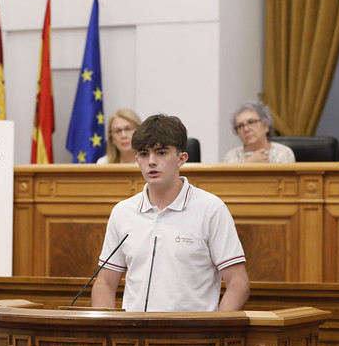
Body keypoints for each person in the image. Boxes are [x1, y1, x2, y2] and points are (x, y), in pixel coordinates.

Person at [91, 114, 250, 312]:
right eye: (144, 154)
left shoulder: (211, 209)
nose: (151, 162)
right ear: (136, 159)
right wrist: (106, 325)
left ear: (181, 159)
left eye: (161, 153)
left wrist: (215, 325)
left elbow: (238, 283)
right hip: (134, 329)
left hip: (192, 330)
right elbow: (105, 283)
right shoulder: (122, 212)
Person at [223, 101, 295, 163]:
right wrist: (248, 164)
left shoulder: (283, 153)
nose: (246, 129)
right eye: (240, 126)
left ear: (266, 126)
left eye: (251, 122)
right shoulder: (232, 157)